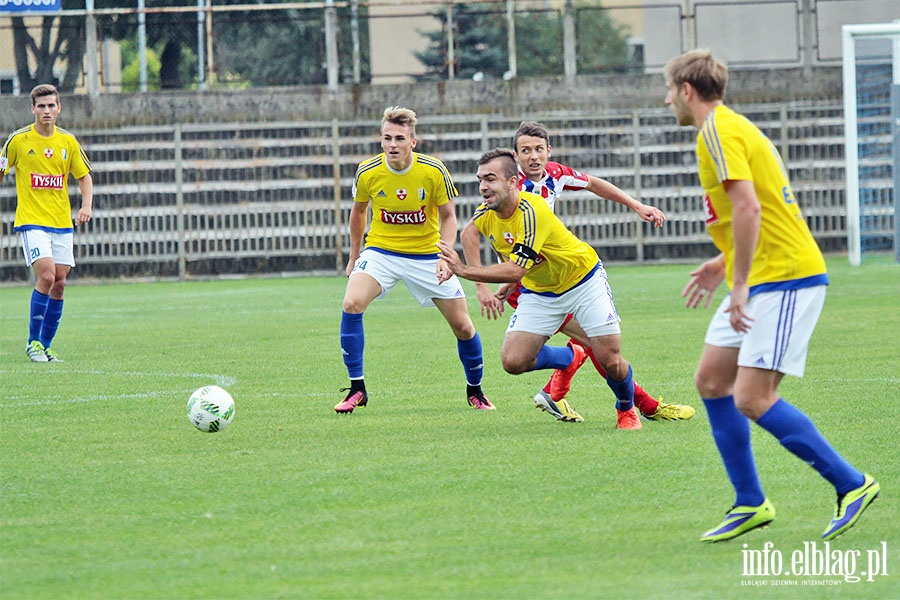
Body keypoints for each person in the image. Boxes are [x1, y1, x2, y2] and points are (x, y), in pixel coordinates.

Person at [664, 49, 878, 542]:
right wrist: (724, 264)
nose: (667, 99)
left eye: (669, 90)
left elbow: (748, 207)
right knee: (712, 381)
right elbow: (762, 205)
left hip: (784, 279)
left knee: (753, 397)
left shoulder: (718, 131)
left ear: (687, 91)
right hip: (761, 274)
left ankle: (851, 484)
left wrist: (737, 286)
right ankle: (750, 501)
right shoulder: (731, 128)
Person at [469, 121, 694, 423]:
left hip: (555, 273)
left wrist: (636, 205)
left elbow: (593, 183)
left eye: (539, 149)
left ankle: (582, 395)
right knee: (592, 347)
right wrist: (491, 283)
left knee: (596, 347)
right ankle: (639, 405)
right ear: (516, 156)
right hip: (527, 282)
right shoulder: (507, 185)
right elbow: (477, 232)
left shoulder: (555, 175)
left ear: (549, 150)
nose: (533, 157)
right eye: (525, 151)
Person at [438, 148, 643, 430]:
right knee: (513, 361)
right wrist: (502, 288)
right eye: (480, 179)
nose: (483, 186)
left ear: (512, 182)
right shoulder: (486, 214)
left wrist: (464, 272)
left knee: (610, 358)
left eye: (490, 179)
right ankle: (571, 357)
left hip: (583, 282)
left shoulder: (533, 210)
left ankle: (626, 409)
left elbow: (516, 268)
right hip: (541, 292)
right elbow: (496, 248)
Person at [336, 106, 492, 413]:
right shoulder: (368, 171)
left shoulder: (433, 171)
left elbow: (449, 218)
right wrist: (355, 257)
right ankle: (357, 389)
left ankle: (475, 391)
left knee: (463, 326)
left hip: (426, 255)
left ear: (413, 142)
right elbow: (358, 213)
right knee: (351, 303)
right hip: (381, 251)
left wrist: (445, 255)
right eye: (387, 138)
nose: (392, 144)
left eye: (399, 138)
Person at [0, 84, 93, 363]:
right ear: (33, 109)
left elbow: (84, 176)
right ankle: (32, 343)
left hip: (61, 223)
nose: (47, 111)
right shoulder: (19, 140)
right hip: (32, 222)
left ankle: (46, 345)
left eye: (51, 105)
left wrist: (85, 206)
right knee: (47, 276)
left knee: (60, 283)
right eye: (41, 106)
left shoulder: (67, 142)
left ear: (59, 108)